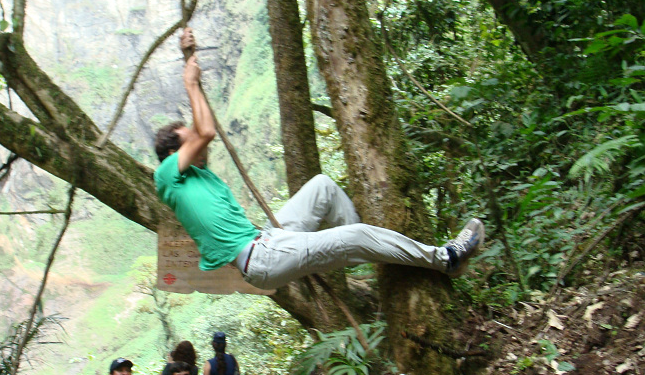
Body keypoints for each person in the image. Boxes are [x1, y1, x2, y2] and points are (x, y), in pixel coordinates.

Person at [153, 28, 485, 291]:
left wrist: (189, 56)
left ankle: (362, 247)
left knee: (322, 187)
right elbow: (206, 131)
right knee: (356, 238)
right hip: (262, 260)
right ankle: (446, 258)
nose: (195, 142)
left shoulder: (198, 176)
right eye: (187, 140)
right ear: (172, 153)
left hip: (270, 239)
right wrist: (189, 82)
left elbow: (201, 129)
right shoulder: (167, 176)